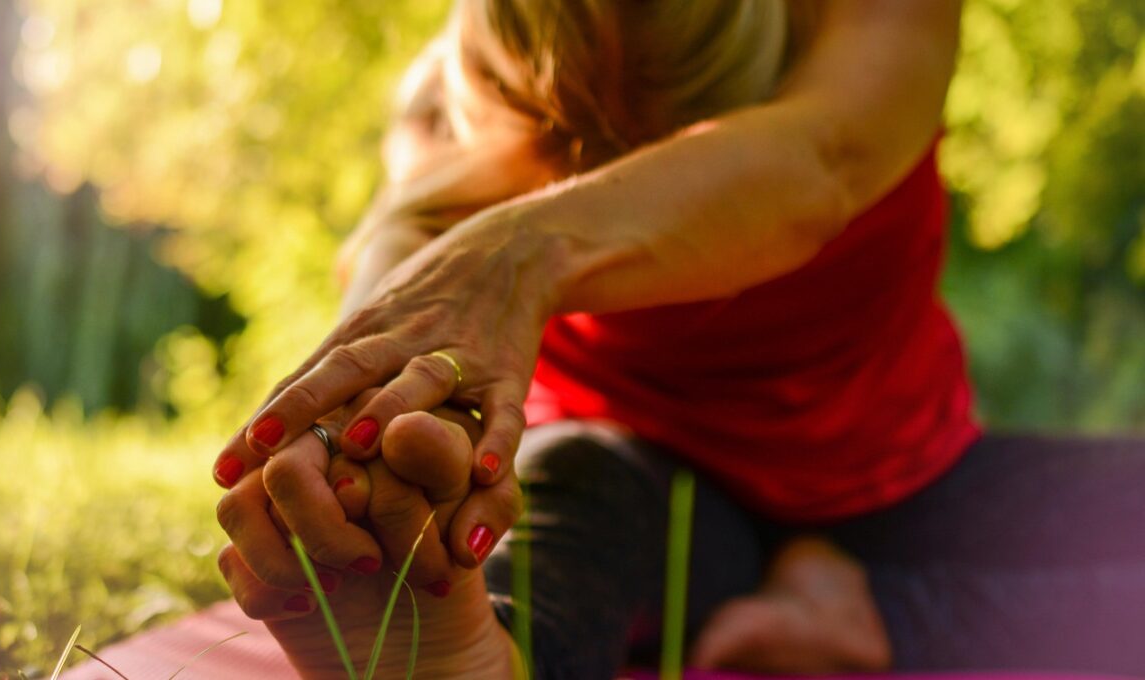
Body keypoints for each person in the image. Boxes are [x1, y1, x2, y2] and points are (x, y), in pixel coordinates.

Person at [212, 0, 1145, 677]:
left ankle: (870, 615)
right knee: (571, 503)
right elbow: (397, 271)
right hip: (650, 484)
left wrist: (514, 252)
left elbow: (821, 163)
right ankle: (471, 649)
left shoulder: (879, 26)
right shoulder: (454, 102)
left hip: (909, 481)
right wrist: (358, 451)